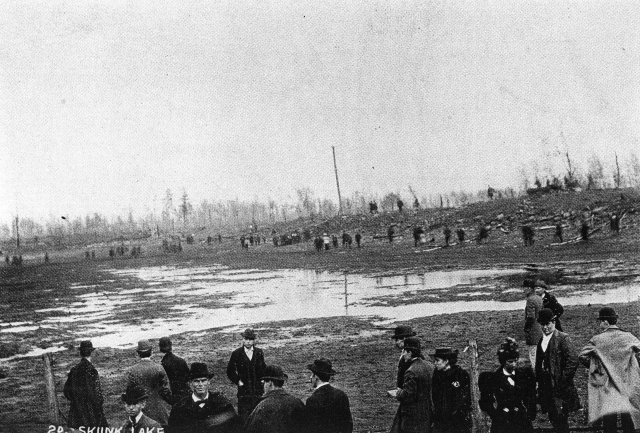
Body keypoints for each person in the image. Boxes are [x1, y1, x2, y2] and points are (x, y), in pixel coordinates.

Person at [579, 307, 640, 433]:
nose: (600, 324)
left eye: (600, 321)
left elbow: (582, 356)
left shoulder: (597, 339)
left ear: (606, 322)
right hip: (625, 383)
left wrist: (596, 366)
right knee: (628, 418)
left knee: (609, 420)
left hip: (607, 385)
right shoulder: (628, 337)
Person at [535, 308, 580, 433]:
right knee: (552, 415)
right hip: (546, 385)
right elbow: (539, 363)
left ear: (553, 322)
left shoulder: (563, 338)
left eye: (547, 324)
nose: (545, 327)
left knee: (561, 417)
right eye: (542, 324)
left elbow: (573, 361)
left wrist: (562, 380)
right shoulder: (542, 340)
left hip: (560, 386)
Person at [479, 338, 536, 433]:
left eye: (515, 360)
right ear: (503, 361)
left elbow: (531, 395)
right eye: (510, 362)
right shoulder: (493, 378)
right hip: (502, 422)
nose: (514, 364)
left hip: (521, 420)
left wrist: (529, 413)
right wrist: (495, 415)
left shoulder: (524, 375)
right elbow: (485, 401)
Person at [169, 362, 241, 433]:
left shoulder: (223, 405)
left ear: (208, 382)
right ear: (191, 383)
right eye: (196, 381)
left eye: (203, 381)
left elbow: (235, 429)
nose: (200, 384)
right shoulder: (180, 408)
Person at [244, 364, 308, 433]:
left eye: (264, 382)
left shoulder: (262, 406)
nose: (263, 386)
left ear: (270, 383)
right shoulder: (297, 402)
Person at [390, 337, 434, 433]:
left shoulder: (411, 371)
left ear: (410, 353)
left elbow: (408, 396)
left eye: (404, 352)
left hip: (413, 416)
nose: (403, 354)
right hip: (428, 413)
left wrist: (398, 393)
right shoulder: (430, 365)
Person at [63, 340, 109, 429]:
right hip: (92, 412)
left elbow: (67, 392)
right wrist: (98, 406)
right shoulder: (91, 370)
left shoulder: (74, 370)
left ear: (80, 353)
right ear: (91, 352)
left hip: (76, 413)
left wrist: (76, 400)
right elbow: (96, 394)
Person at [126, 340, 172, 425]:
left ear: (138, 353)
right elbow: (166, 390)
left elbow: (130, 392)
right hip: (159, 411)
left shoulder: (132, 370)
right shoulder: (159, 368)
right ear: (151, 352)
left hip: (142, 411)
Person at [226, 328, 266, 421]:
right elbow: (230, 371)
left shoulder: (259, 352)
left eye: (250, 339)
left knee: (258, 415)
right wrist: (238, 381)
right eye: (246, 339)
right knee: (244, 416)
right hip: (244, 390)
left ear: (254, 340)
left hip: (258, 389)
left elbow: (263, 367)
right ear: (242, 339)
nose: (248, 342)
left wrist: (262, 380)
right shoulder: (236, 353)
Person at [306, 358, 353, 433]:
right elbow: (348, 425)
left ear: (316, 377)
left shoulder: (312, 400)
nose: (310, 377)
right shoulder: (341, 395)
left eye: (312, 374)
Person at [431, 348, 471, 433]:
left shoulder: (460, 375)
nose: (435, 363)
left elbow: (465, 399)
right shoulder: (437, 376)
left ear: (446, 361)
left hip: (457, 422)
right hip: (441, 422)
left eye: (437, 360)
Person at [159, 337, 190, 402]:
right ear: (171, 345)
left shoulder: (163, 364)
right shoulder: (181, 360)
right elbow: (188, 377)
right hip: (185, 390)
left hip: (173, 392)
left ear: (160, 347)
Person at [523, 279, 543, 369]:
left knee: (533, 354)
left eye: (525, 288)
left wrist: (526, 328)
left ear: (529, 288)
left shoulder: (530, 300)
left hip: (533, 331)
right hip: (540, 329)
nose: (524, 290)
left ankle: (537, 376)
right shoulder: (539, 298)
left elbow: (530, 317)